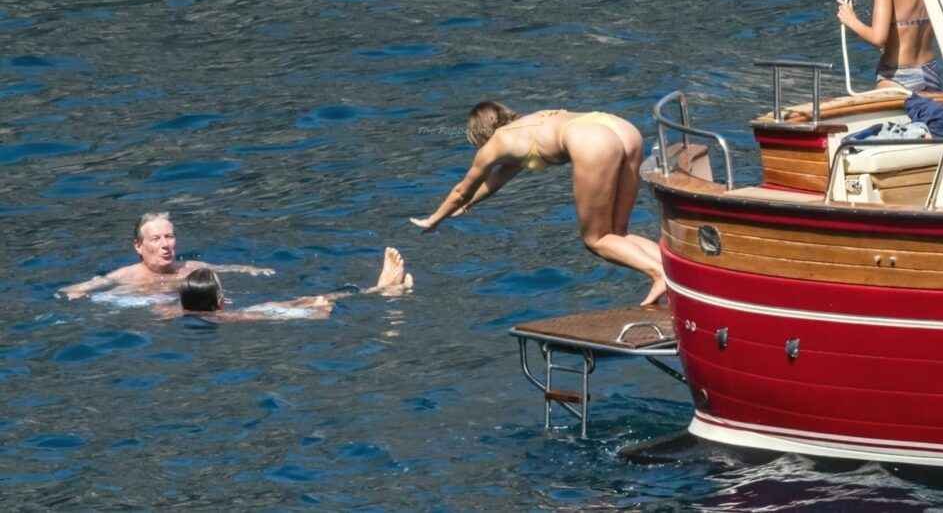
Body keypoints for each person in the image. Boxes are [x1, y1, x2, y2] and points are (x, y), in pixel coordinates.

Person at [410, 102, 667, 305]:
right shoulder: (528, 126)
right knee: (618, 234)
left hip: (593, 140)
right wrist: (468, 206)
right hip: (621, 128)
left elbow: (460, 190)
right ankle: (677, 271)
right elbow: (495, 181)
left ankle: (658, 274)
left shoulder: (495, 144)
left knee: (596, 239)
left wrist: (434, 219)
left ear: (480, 133)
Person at [59, 212, 275, 301]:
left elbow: (228, 268)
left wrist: (252, 270)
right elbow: (71, 289)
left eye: (169, 237)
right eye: (156, 239)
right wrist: (76, 293)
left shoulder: (191, 267)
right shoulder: (125, 276)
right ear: (138, 246)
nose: (165, 245)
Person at [154, 248, 412, 321]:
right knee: (318, 301)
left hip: (260, 309)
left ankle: (381, 289)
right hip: (263, 312)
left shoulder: (176, 311)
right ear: (220, 301)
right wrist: (315, 314)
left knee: (310, 296)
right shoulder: (230, 317)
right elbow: (269, 317)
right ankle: (386, 291)